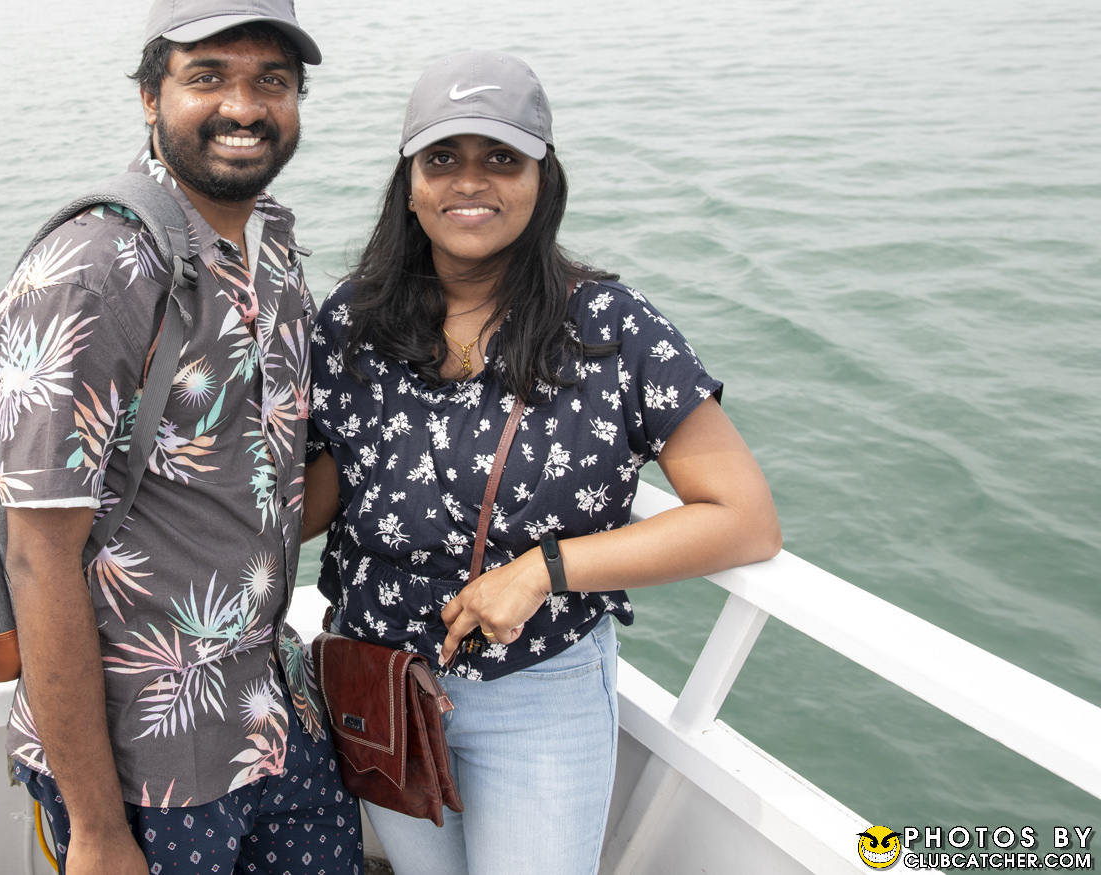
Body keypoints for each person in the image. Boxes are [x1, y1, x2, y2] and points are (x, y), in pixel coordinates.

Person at [302, 50, 781, 875]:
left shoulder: (611, 329)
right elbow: (323, 489)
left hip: (535, 690)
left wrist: (541, 571)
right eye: (442, 158)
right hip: (378, 678)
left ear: (541, 178)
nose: (469, 182)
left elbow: (745, 520)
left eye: (501, 157)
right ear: (409, 183)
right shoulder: (355, 319)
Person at [0, 0, 362, 875]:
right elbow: (38, 556)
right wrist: (97, 827)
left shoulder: (272, 246)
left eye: (271, 81)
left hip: (273, 712)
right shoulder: (93, 268)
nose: (244, 106)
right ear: (150, 97)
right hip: (145, 765)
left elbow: (261, 488)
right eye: (208, 77)